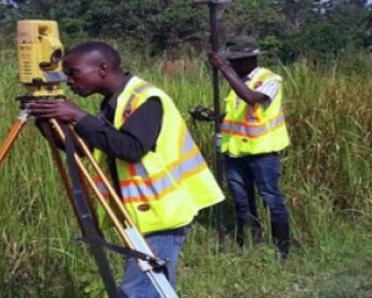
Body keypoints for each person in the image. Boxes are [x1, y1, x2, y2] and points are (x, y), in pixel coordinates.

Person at [27, 41, 225, 297]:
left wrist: (78, 116)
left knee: (139, 291)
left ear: (103, 68)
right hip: (138, 213)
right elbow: (85, 146)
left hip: (162, 212)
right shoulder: (114, 103)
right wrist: (47, 123)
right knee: (154, 288)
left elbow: (130, 149)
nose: (68, 80)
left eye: (73, 72)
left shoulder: (146, 99)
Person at [207, 36, 291, 260]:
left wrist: (224, 69)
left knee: (271, 199)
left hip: (262, 153)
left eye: (236, 60)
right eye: (230, 61)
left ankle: (282, 250)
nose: (233, 64)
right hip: (235, 152)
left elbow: (251, 98)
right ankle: (252, 242)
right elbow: (236, 116)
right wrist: (213, 116)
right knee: (242, 201)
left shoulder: (271, 79)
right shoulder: (236, 81)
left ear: (250, 58)